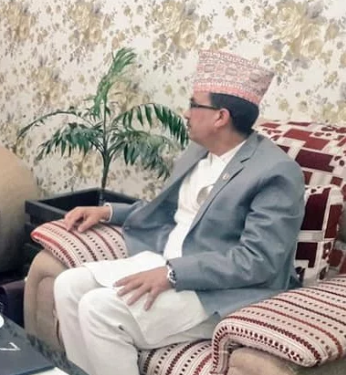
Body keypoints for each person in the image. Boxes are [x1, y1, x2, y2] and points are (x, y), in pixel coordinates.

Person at [53, 50, 305, 375]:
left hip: (222, 289)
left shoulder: (275, 172)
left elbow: (258, 260)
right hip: (168, 260)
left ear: (220, 117)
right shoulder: (199, 151)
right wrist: (107, 212)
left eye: (194, 104)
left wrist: (174, 273)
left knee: (99, 309)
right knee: (68, 285)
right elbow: (169, 210)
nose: (185, 113)